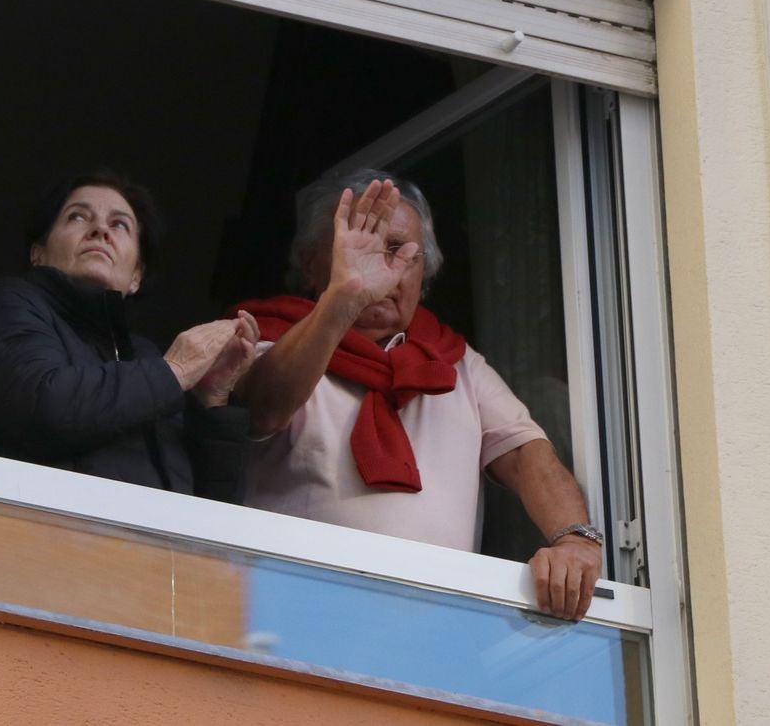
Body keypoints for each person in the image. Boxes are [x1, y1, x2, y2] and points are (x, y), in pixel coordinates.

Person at [232, 170, 603, 621]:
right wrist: (343, 298)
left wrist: (574, 540)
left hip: (433, 627)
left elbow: (527, 454)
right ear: (312, 263)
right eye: (358, 243)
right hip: (293, 615)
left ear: (422, 272)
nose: (378, 265)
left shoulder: (456, 363)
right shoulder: (266, 338)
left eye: (397, 250)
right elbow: (264, 409)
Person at [0, 169, 258, 502]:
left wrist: (213, 402)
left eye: (119, 224)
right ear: (38, 254)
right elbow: (45, 412)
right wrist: (175, 371)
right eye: (77, 216)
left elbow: (214, 510)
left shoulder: (148, 356)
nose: (100, 230)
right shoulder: (5, 306)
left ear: (136, 275)